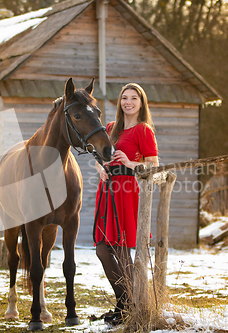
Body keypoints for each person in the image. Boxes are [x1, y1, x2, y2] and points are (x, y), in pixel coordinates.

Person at [93, 83, 159, 325]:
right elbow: (99, 158)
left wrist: (131, 163)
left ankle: (127, 308)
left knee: (121, 250)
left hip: (127, 190)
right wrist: (100, 168)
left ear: (141, 103)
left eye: (133, 98)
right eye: (124, 98)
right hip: (108, 190)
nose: (128, 102)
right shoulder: (110, 128)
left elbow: (154, 165)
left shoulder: (144, 130)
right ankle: (124, 302)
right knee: (102, 249)